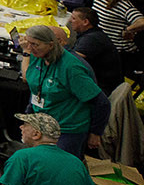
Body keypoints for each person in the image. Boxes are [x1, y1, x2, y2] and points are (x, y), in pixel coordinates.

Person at [18, 23, 104, 156]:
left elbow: (101, 102)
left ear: (51, 45)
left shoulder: (71, 67)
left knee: (57, 169)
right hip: (41, 124)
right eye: (28, 43)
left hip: (66, 130)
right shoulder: (37, 57)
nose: (30, 48)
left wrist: (95, 133)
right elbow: (34, 86)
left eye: (35, 44)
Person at [91, 0, 144, 76]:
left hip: (119, 51)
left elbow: (141, 22)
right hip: (102, 44)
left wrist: (128, 30)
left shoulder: (123, 5)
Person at [66, 6, 124, 93]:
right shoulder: (93, 33)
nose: (70, 21)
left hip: (103, 89)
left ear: (85, 22)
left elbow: (70, 62)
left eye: (74, 18)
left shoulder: (91, 39)